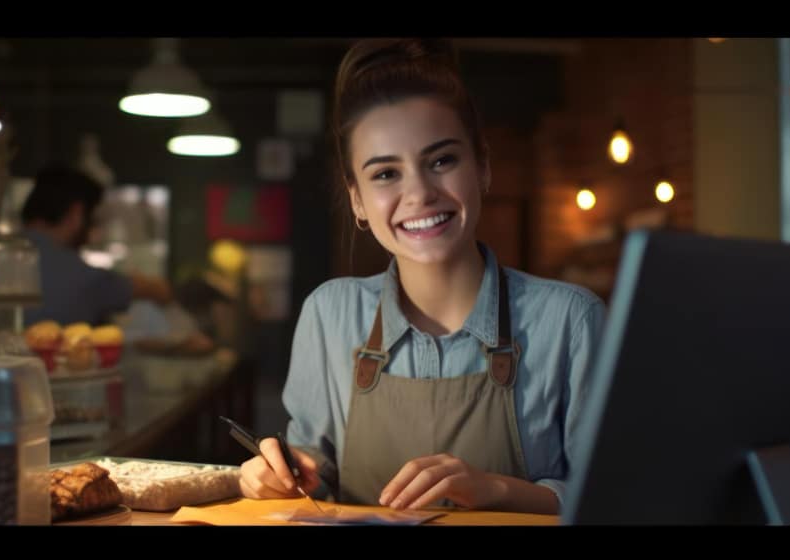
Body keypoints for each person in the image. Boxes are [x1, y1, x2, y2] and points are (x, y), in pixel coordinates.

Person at [237, 38, 606, 515]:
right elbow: (318, 477)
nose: (419, 194)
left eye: (441, 161)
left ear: (483, 167)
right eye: (386, 174)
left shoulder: (571, 319)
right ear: (356, 200)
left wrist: (497, 490)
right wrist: (281, 475)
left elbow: (610, 499)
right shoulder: (330, 313)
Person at [20, 163, 172, 326]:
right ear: (76, 214)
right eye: (93, 219)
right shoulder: (84, 278)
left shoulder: (0, 258)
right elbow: (161, 291)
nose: (93, 231)